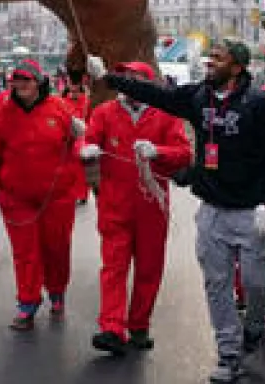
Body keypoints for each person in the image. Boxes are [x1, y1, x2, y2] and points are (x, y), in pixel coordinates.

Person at [98, 39, 265, 383]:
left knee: (256, 285)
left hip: (251, 212)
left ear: (237, 67)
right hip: (213, 212)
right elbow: (158, 95)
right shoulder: (198, 97)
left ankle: (255, 325)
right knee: (217, 285)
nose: (209, 62)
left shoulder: (260, 104)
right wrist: (111, 80)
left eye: (218, 58)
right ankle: (228, 354)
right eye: (210, 57)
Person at [82, 61, 192, 355]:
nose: (128, 82)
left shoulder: (166, 115)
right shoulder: (105, 112)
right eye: (125, 77)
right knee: (113, 267)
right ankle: (111, 328)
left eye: (134, 77)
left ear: (147, 81)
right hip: (114, 204)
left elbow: (184, 153)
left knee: (148, 268)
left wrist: (159, 151)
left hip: (151, 205)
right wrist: (88, 150)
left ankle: (139, 326)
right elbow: (89, 141)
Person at [0, 59, 85, 331]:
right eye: (17, 80)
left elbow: (79, 144)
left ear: (39, 82)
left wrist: (83, 141)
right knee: (25, 252)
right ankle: (27, 303)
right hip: (16, 198)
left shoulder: (60, 109)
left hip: (57, 197)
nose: (21, 85)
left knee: (57, 249)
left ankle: (57, 292)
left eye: (26, 80)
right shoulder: (3, 113)